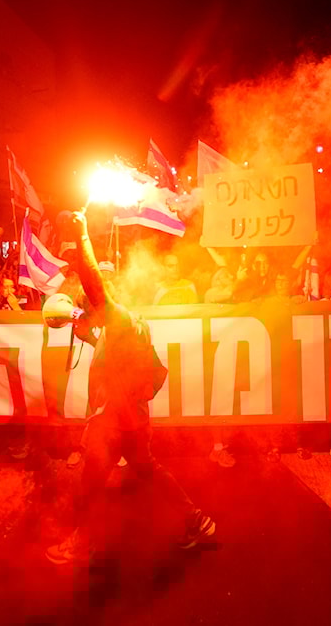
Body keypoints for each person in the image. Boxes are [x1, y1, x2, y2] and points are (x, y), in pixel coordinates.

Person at [44, 211, 215, 565]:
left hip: (114, 422)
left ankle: (81, 540)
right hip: (131, 420)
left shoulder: (120, 319)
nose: (89, 302)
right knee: (148, 470)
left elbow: (94, 286)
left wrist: (82, 235)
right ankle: (196, 521)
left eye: (98, 298)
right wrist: (90, 336)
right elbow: (118, 361)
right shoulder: (126, 327)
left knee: (91, 483)